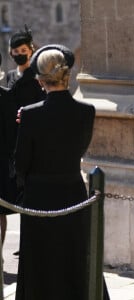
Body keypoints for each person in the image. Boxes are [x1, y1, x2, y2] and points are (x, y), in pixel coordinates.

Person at [14, 44, 102, 300]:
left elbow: (21, 163)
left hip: (39, 195)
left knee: (40, 261)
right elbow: (80, 148)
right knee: (73, 254)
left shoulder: (30, 115)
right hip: (73, 191)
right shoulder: (87, 111)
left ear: (41, 80)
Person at [0, 25, 46, 249]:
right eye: (15, 51)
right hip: (9, 146)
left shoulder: (38, 80)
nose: (19, 55)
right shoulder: (8, 78)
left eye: (23, 51)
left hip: (30, 146)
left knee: (30, 197)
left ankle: (28, 243)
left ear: (31, 50)